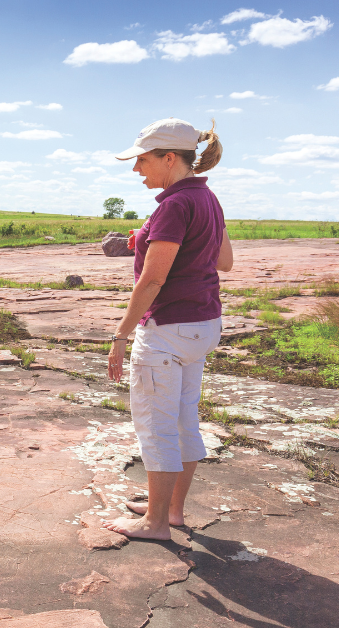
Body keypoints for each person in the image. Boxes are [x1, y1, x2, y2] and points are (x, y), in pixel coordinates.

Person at [101, 118, 231, 541]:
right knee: (182, 421)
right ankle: (171, 510)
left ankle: (154, 524)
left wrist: (120, 337)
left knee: (156, 426)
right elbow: (223, 260)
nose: (137, 170)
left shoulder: (173, 205)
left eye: (142, 160)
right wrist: (149, 236)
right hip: (204, 324)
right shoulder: (206, 197)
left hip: (168, 328)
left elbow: (152, 281)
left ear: (169, 157)